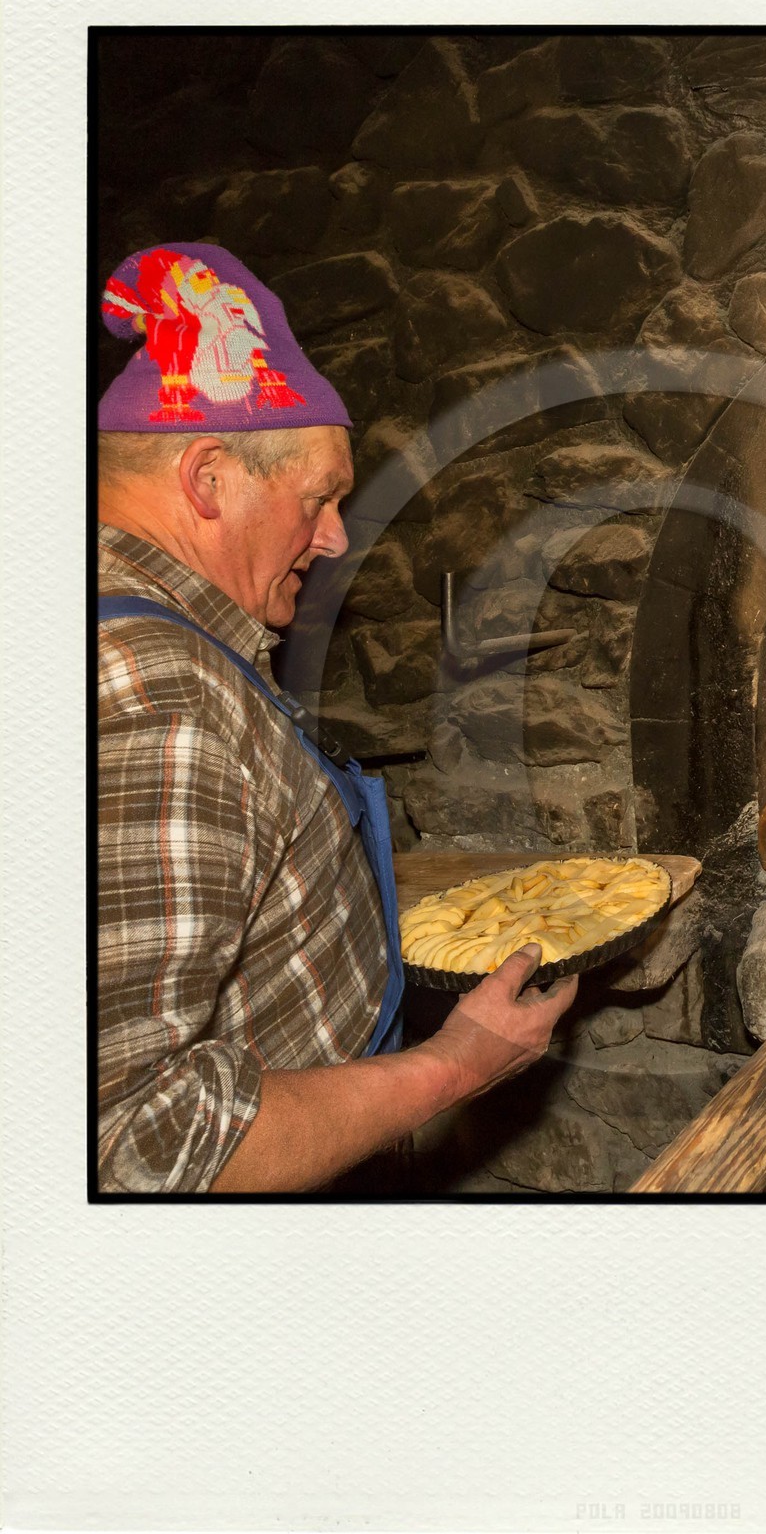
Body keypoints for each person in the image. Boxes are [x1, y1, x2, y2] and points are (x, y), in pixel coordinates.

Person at [96, 242, 576, 1193]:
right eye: (318, 498)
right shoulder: (161, 701)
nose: (336, 537)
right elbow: (140, 1144)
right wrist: (459, 1064)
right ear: (207, 481)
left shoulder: (163, 635)